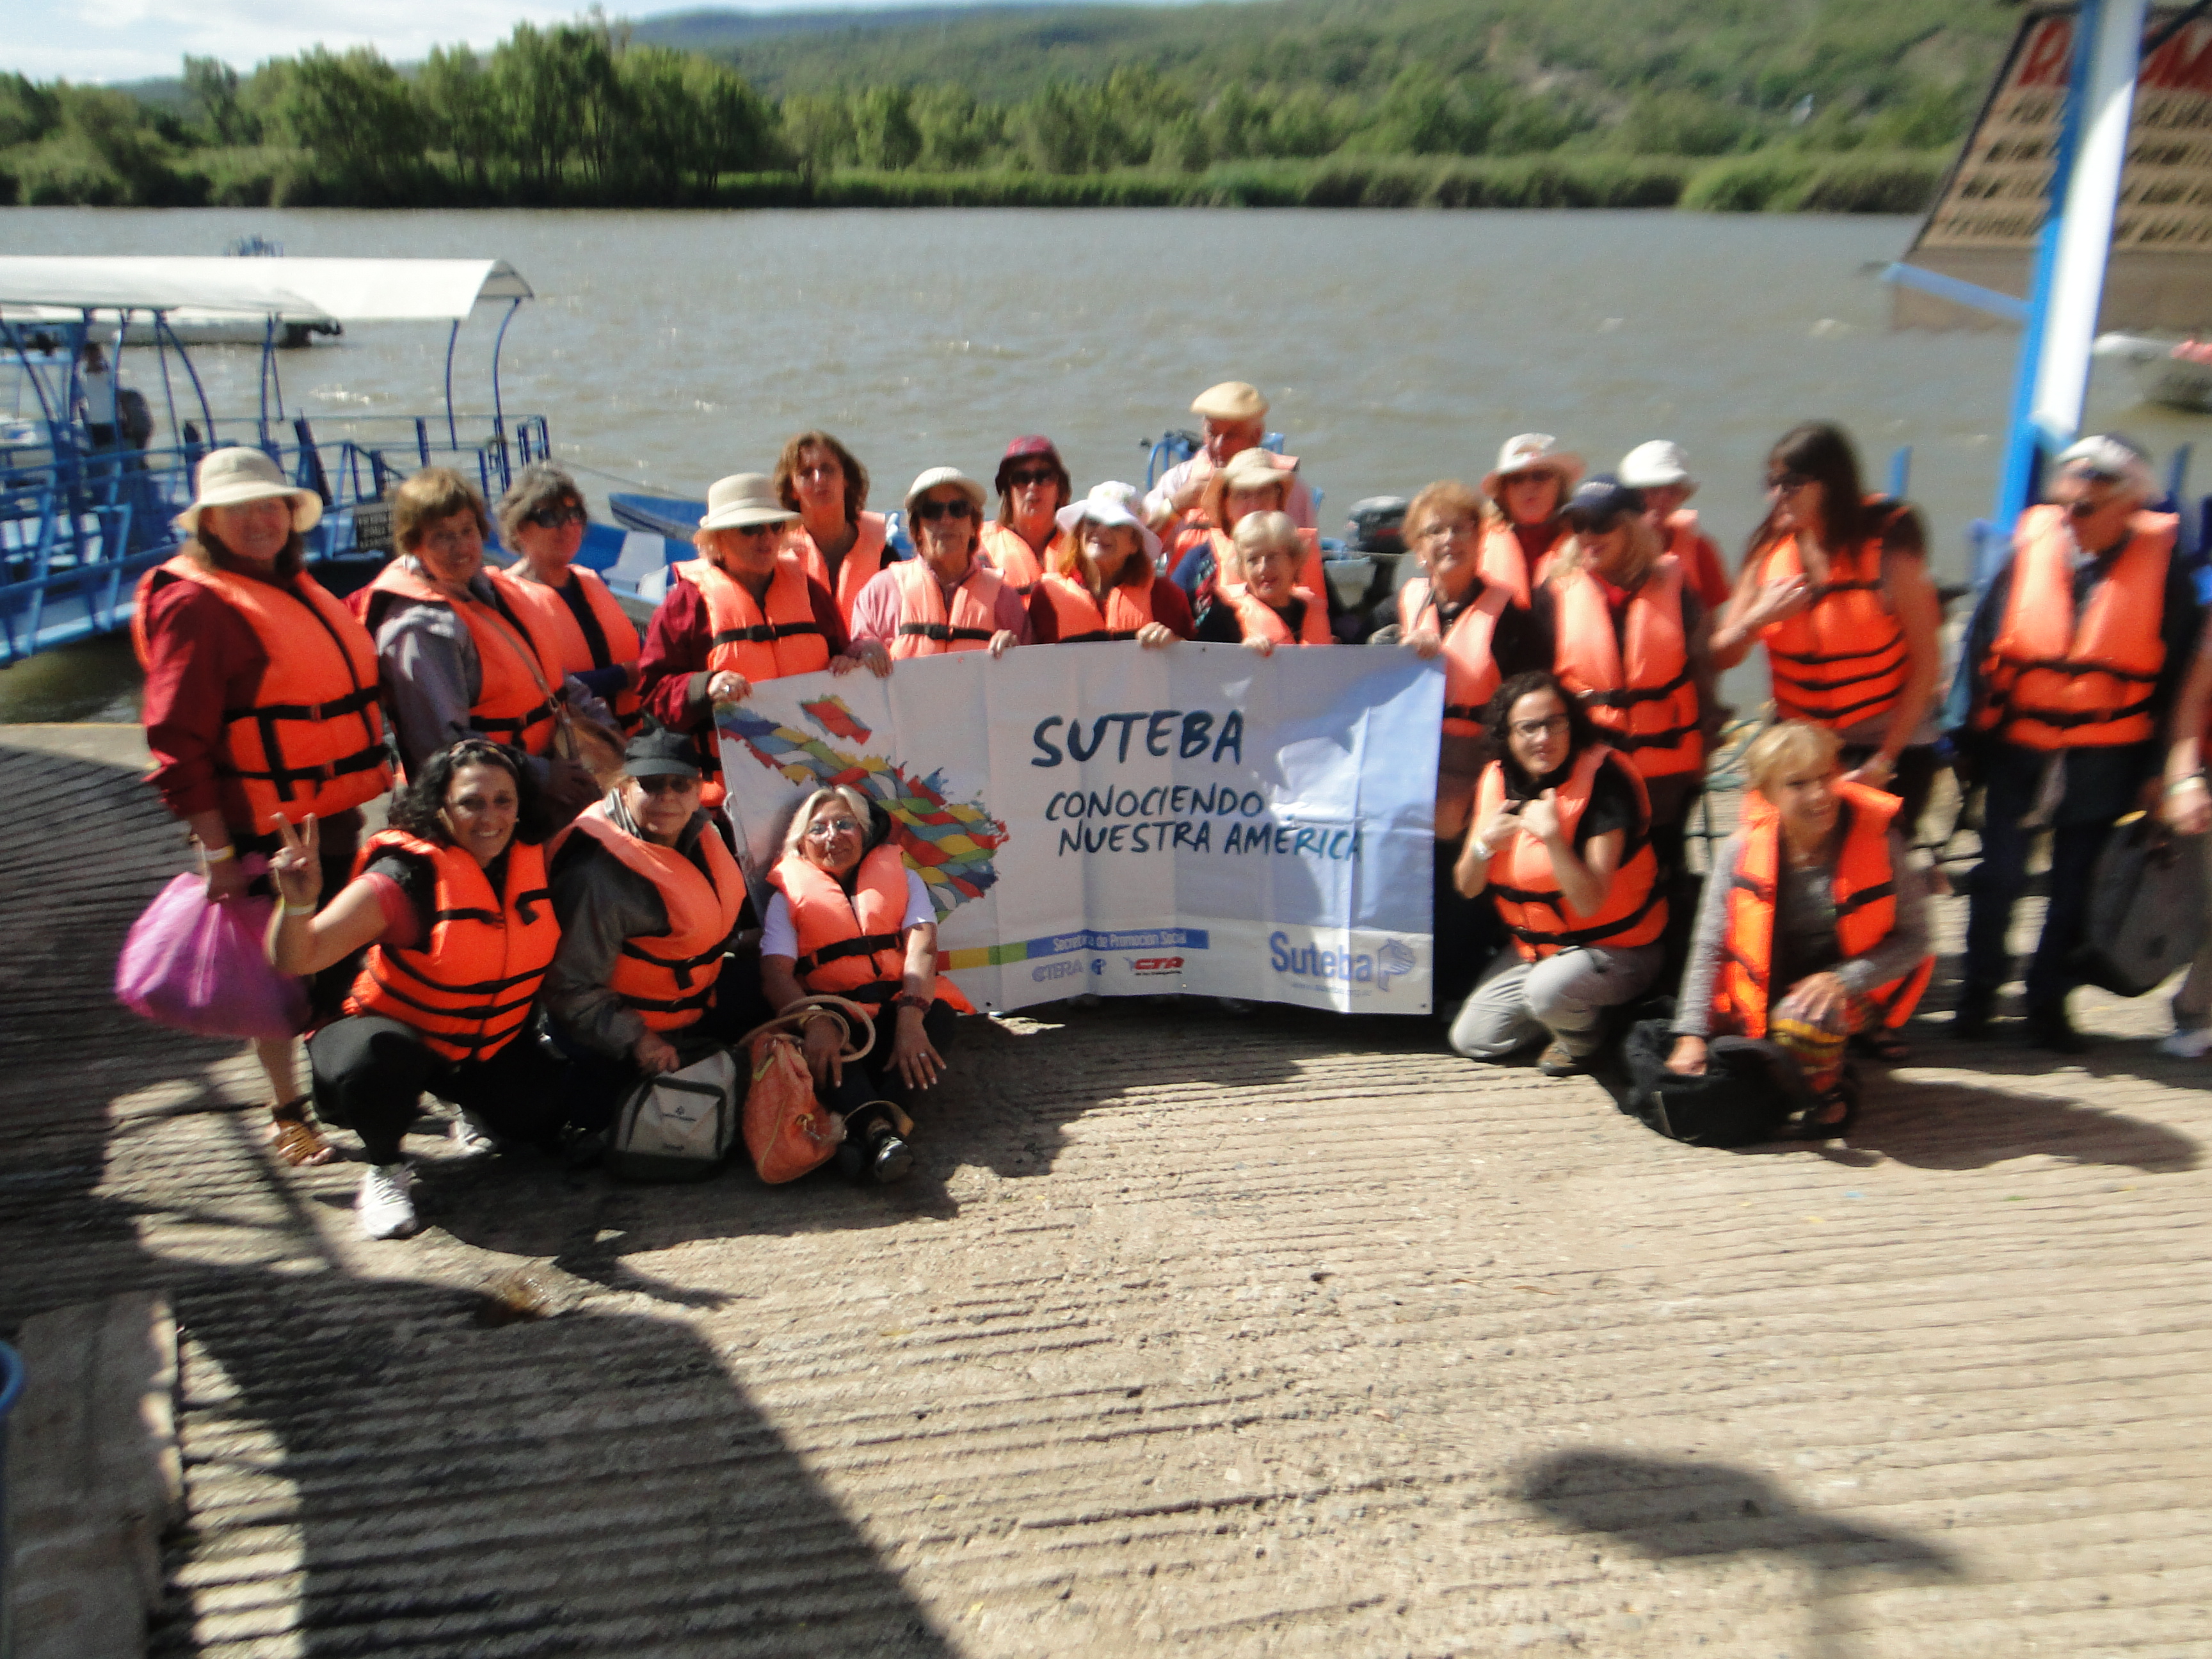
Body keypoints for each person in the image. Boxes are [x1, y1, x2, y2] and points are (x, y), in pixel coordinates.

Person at [132, 447, 394, 1169]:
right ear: (208, 523)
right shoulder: (195, 604)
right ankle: (288, 1112)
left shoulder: (293, 587)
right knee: (272, 984)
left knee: (336, 963)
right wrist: (217, 854)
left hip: (329, 818)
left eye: (272, 505)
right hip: (260, 832)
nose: (260, 520)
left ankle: (347, 1087)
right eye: (239, 509)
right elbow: (176, 745)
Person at [1953, 433, 2197, 1050]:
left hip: (2106, 758)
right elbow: (1982, 644)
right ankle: (1979, 994)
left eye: (2084, 507)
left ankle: (2048, 1004)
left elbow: (2176, 685)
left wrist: (2159, 771)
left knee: (2075, 887)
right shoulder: (2028, 552)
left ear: (2129, 506)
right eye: (2063, 505)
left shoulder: (2166, 576)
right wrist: (1967, 740)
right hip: (2019, 749)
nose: (2069, 518)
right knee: (1999, 875)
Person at [266, 741, 566, 1239]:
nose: (489, 817)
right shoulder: (404, 877)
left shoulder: (535, 859)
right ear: (439, 807)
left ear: (520, 806)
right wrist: (297, 905)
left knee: (547, 1113)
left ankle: (466, 1103)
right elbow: (297, 958)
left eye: (503, 801)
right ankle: (385, 1169)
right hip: (381, 1040)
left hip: (476, 1045)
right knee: (376, 1065)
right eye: (470, 802)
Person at [1668, 721, 1933, 1135]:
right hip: (1769, 984)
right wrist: (1691, 1035)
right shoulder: (1739, 850)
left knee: (1801, 1019)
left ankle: (1826, 1092)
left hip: (1854, 987)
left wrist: (1843, 980)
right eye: (1797, 784)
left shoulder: (1882, 841)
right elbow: (1709, 945)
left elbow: (1918, 938)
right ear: (1767, 793)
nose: (1819, 795)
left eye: (1826, 776)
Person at [1711, 422, 1944, 838]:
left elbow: (1927, 663)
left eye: (1791, 484)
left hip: (1885, 735)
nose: (1776, 495)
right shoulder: (1766, 552)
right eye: (1772, 483)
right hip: (1801, 739)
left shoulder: (1891, 553)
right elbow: (1721, 656)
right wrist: (1757, 618)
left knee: (1875, 858)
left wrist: (1883, 762)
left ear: (1832, 484)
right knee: (1768, 851)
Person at [1375, 479, 1553, 1007]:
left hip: (1481, 765)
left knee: (1458, 861)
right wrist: (1391, 651)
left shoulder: (1512, 620)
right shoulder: (1400, 608)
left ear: (1479, 540)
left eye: (1460, 529)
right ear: (1418, 547)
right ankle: (1396, 980)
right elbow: (1356, 671)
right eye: (1435, 531)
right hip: (1412, 762)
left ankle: (1452, 985)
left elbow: (1531, 704)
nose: (1449, 539)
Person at [544, 725, 763, 1137]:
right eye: (651, 784)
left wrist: (740, 942)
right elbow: (568, 988)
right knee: (609, 1120)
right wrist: (639, 1039)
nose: (667, 797)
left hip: (694, 1004)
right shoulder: (594, 878)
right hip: (618, 1031)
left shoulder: (702, 832)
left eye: (680, 784)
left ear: (697, 791)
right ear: (624, 788)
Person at [1450, 671, 1667, 1074]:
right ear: (1508, 735)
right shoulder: (1497, 778)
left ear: (1572, 724)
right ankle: (1569, 1014)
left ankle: (1583, 1040)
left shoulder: (1605, 782)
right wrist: (1484, 846)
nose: (1544, 738)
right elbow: (1467, 886)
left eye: (1555, 723)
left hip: (1618, 951)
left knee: (1547, 991)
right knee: (1475, 1039)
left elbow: (1590, 902)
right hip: (1539, 951)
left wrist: (1553, 838)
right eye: (1529, 728)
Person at [361, 467, 603, 821]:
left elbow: (556, 681)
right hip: (485, 806)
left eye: (467, 530)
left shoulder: (496, 592)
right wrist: (543, 775)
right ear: (415, 543)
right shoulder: (420, 630)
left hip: (546, 783)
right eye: (442, 536)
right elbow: (443, 746)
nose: (461, 547)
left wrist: (608, 735)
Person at [760, 786, 972, 1185]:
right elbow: (776, 974)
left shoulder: (905, 879)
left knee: (941, 1018)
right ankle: (881, 1132)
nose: (833, 836)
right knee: (814, 1045)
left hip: (895, 1018)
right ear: (802, 843)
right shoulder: (785, 897)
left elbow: (923, 947)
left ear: (865, 831)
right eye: (818, 829)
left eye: (845, 824)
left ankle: (865, 1132)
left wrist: (910, 1018)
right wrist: (815, 1022)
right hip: (836, 1027)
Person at [635, 472, 878, 805]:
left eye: (775, 527)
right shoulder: (686, 604)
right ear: (718, 540)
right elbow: (653, 695)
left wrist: (852, 658)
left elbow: (843, 655)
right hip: (731, 790)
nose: (766, 538)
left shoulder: (810, 593)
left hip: (816, 781)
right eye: (750, 529)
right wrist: (705, 686)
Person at [1537, 474, 1713, 872]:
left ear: (1632, 527)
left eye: (1601, 524)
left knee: (1667, 871)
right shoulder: (1554, 594)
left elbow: (1702, 672)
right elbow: (1536, 688)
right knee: (1605, 872)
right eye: (1579, 525)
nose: (1588, 536)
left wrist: (1708, 741)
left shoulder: (1676, 587)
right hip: (1594, 769)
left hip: (1667, 769)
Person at [488, 463, 643, 733]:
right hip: (567, 745)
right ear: (520, 527)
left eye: (575, 515)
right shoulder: (504, 600)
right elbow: (534, 688)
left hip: (628, 738)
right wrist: (623, 676)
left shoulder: (588, 582)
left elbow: (639, 652)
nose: (567, 527)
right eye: (550, 517)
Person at [849, 469, 1030, 659]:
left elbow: (1033, 670)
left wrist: (1016, 654)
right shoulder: (880, 593)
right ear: (916, 529)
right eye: (932, 511)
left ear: (974, 526)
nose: (946, 520)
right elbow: (853, 662)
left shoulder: (1005, 598)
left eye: (958, 509)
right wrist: (864, 651)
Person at [1169, 446, 1334, 625]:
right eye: (1243, 495)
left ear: (1278, 500)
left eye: (1264, 492)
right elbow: (1170, 618)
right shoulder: (1199, 559)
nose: (1255, 505)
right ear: (1225, 505)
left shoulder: (1299, 553)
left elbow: (1340, 622)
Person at [1142, 379, 1318, 544]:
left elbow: (1304, 554)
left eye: (1231, 436)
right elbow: (1139, 553)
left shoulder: (1288, 488)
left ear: (1256, 436)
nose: (1218, 445)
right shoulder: (1179, 480)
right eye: (1213, 433)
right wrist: (1176, 506)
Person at [1030, 481, 1193, 645]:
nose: (1101, 530)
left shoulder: (1166, 597)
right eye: (1093, 521)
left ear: (1135, 544)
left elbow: (1197, 656)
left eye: (1116, 525)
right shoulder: (1045, 596)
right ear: (1079, 532)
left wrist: (1175, 644)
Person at [773, 429, 894, 628]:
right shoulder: (778, 556)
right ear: (792, 489)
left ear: (846, 479)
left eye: (828, 469)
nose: (819, 479)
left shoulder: (885, 551)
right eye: (806, 473)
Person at [1618, 439, 1731, 611]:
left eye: (1673, 491)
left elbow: (1712, 615)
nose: (1663, 499)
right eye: (1653, 489)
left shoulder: (1700, 549)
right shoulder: (1606, 544)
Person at [1193, 512, 1331, 650]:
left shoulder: (1324, 611)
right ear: (1242, 569)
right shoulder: (1223, 615)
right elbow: (1203, 661)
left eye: (1272, 557)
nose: (1264, 568)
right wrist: (1241, 654)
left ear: (1294, 560)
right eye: (1253, 560)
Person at [1477, 434, 1583, 610]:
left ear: (1560, 486)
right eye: (1517, 479)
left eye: (1540, 476)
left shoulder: (1590, 537)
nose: (1529, 486)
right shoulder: (1473, 543)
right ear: (1504, 492)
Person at [978, 437, 1075, 597]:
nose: (1033, 486)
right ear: (1008, 492)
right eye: (1021, 478)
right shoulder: (977, 544)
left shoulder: (1081, 548)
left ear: (1060, 488)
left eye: (1044, 476)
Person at [77, 340, 118, 449]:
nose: (93, 357)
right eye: (90, 355)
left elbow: (98, 369)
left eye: (96, 354)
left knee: (109, 449)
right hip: (92, 421)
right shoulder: (81, 372)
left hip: (109, 419)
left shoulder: (105, 369)